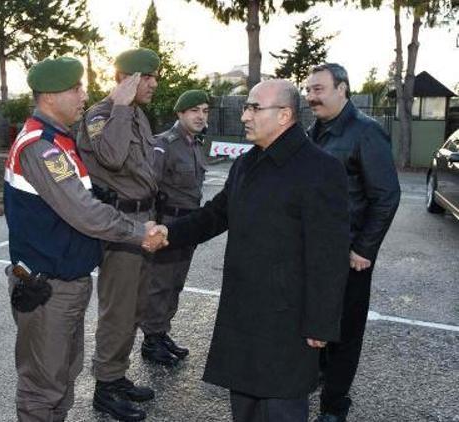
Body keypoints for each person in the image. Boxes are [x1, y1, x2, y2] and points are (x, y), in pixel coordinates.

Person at [166, 79, 350, 422]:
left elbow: (330, 256)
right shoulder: (248, 163)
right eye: (246, 108)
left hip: (287, 323)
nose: (245, 116)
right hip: (244, 315)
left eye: (253, 108)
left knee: (281, 409)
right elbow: (216, 214)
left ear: (284, 115)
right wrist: (167, 233)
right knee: (246, 410)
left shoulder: (321, 170)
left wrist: (321, 325)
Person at [4, 57, 168, 422]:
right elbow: (85, 211)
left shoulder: (58, 139)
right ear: (50, 96)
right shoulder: (41, 145)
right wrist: (138, 232)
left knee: (61, 378)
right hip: (49, 286)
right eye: (76, 88)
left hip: (67, 280)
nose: (85, 94)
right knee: (43, 389)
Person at [305, 63, 401, 422]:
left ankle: (335, 405)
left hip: (349, 256)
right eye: (309, 90)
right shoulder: (313, 131)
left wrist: (364, 248)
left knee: (344, 333)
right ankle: (318, 377)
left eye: (319, 89)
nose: (311, 97)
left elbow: (387, 196)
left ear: (342, 89)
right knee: (316, 322)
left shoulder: (366, 132)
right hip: (316, 252)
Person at [76, 47, 161, 421]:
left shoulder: (138, 115)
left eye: (156, 77)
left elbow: (143, 168)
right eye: (148, 77)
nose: (155, 84)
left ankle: (117, 375)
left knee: (136, 307)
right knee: (118, 310)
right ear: (127, 79)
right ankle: (105, 388)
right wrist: (121, 107)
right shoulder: (100, 115)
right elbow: (111, 157)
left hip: (144, 219)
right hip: (121, 227)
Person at [139, 89, 210, 366]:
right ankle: (151, 340)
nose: (200, 116)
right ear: (180, 114)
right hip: (167, 224)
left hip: (187, 226)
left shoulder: (195, 144)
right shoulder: (164, 145)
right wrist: (151, 225)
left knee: (176, 283)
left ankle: (161, 331)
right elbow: (148, 188)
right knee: (159, 284)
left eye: (205, 111)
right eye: (194, 110)